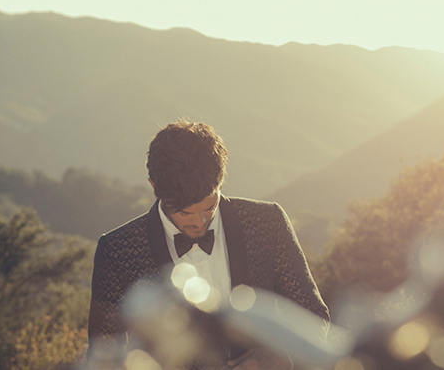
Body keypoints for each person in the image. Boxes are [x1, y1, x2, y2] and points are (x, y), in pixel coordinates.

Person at [88, 120, 329, 369]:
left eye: (208, 207)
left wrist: (275, 359)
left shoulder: (267, 222)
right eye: (184, 213)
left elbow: (314, 319)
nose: (199, 222)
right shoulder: (116, 250)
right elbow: (105, 353)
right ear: (152, 185)